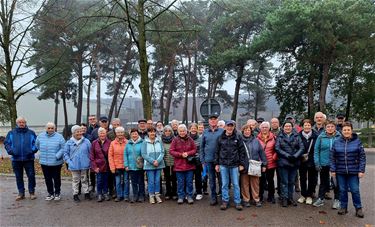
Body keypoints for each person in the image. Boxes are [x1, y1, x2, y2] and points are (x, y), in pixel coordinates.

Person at [331, 122, 366, 218]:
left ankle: (358, 208)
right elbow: (332, 157)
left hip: (354, 171)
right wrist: (333, 169)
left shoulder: (357, 142)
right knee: (342, 190)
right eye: (344, 130)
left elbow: (362, 157)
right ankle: (343, 207)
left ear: (351, 130)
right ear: (341, 131)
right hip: (340, 171)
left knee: (355, 190)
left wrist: (361, 170)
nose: (346, 131)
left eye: (348, 130)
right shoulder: (337, 142)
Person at [215, 120, 246, 211]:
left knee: (236, 184)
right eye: (228, 126)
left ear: (234, 127)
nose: (230, 127)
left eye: (231, 126)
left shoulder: (238, 137)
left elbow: (242, 152)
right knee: (224, 184)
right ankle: (225, 201)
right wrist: (216, 164)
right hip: (223, 165)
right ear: (225, 127)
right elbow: (216, 152)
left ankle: (237, 202)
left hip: (235, 165)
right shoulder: (220, 138)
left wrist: (241, 164)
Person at [5, 117, 38, 201]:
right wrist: (11, 151)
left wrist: (32, 150)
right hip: (16, 159)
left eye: (23, 122)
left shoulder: (31, 133)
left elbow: (36, 143)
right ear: (17, 123)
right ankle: (21, 193)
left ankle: (31, 192)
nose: (21, 123)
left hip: (29, 159)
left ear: (25, 123)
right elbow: (7, 143)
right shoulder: (11, 133)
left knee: (31, 176)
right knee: (18, 176)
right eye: (19, 122)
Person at [275, 121, 304, 207]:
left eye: (289, 126)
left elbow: (301, 147)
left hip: (294, 162)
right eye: (286, 126)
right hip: (283, 162)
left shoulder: (296, 136)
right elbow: (277, 148)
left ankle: (290, 198)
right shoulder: (279, 137)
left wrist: (295, 156)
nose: (287, 128)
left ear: (292, 127)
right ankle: (284, 198)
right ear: (283, 127)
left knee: (291, 181)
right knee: (284, 181)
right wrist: (288, 156)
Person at [313, 120, 341, 208]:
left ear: (335, 127)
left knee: (336, 182)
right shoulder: (321, 137)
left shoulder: (339, 136)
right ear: (325, 128)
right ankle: (320, 198)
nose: (330, 128)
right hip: (323, 163)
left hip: (336, 164)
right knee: (323, 182)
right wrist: (317, 162)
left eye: (332, 126)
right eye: (328, 126)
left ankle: (337, 200)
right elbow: (316, 150)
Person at [36, 122, 66, 201]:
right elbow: (37, 145)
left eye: (52, 128)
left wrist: (57, 156)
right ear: (46, 128)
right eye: (48, 128)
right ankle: (50, 193)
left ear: (55, 128)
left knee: (56, 178)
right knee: (47, 178)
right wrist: (42, 153)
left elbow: (63, 148)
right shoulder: (40, 136)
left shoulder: (59, 137)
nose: (50, 129)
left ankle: (57, 193)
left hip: (56, 162)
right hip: (44, 162)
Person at [200, 114, 224, 206]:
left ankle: (222, 197)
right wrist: (203, 161)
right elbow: (201, 148)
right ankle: (213, 197)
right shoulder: (205, 132)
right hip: (208, 160)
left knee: (222, 180)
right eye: (211, 119)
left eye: (215, 119)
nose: (213, 121)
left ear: (217, 121)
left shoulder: (222, 131)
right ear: (209, 121)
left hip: (220, 161)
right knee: (211, 180)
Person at [63, 125, 92, 202]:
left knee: (85, 179)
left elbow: (90, 153)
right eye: (77, 131)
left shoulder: (87, 141)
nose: (79, 133)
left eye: (80, 131)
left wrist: (89, 161)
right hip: (74, 165)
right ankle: (75, 194)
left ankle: (86, 193)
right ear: (73, 133)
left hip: (85, 164)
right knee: (75, 180)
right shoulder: (69, 143)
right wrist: (69, 162)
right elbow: (65, 154)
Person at [170, 124, 197, 204]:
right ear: (178, 132)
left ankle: (189, 196)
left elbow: (194, 149)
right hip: (179, 165)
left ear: (186, 131)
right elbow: (171, 151)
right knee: (180, 182)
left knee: (189, 182)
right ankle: (181, 196)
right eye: (180, 131)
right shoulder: (175, 140)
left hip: (189, 165)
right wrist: (180, 154)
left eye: (183, 131)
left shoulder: (190, 139)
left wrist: (188, 153)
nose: (182, 132)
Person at [241, 124, 267, 208]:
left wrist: (264, 164)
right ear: (243, 131)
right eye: (245, 130)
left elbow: (262, 153)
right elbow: (237, 154)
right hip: (244, 165)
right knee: (245, 184)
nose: (247, 131)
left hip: (254, 166)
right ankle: (246, 200)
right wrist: (239, 164)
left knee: (255, 183)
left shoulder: (256, 140)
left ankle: (256, 199)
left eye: (248, 130)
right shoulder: (240, 141)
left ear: (251, 131)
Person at [141, 127, 165, 204]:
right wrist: (152, 161)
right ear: (148, 133)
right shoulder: (145, 142)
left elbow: (162, 152)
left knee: (157, 180)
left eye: (153, 132)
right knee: (151, 181)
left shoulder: (159, 141)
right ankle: (151, 195)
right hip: (149, 165)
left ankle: (157, 195)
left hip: (159, 164)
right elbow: (143, 154)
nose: (152, 133)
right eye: (150, 132)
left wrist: (157, 161)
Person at [297, 119, 318, 205]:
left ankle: (309, 195)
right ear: (302, 126)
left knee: (312, 178)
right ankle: (303, 195)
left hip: (312, 160)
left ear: (311, 126)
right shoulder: (298, 136)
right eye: (305, 125)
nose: (307, 127)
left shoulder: (316, 136)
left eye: (309, 125)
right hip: (302, 160)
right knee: (302, 178)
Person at [257, 121, 277, 204]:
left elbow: (277, 149)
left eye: (266, 127)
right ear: (260, 128)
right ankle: (260, 196)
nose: (264, 129)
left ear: (269, 128)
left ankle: (271, 196)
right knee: (261, 180)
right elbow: (255, 150)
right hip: (260, 163)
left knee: (270, 180)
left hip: (271, 162)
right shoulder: (256, 138)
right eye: (263, 127)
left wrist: (274, 157)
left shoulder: (274, 138)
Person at [90, 127, 111, 202]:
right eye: (101, 133)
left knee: (106, 180)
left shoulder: (109, 142)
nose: (102, 134)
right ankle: (99, 194)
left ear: (106, 134)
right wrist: (94, 167)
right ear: (98, 134)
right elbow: (92, 156)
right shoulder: (94, 143)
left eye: (103, 133)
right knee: (99, 180)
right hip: (98, 165)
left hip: (107, 165)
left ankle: (105, 193)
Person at [124, 128, 145, 203]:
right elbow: (125, 155)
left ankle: (142, 195)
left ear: (138, 134)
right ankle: (135, 195)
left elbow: (144, 153)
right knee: (133, 182)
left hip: (140, 166)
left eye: (135, 133)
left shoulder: (143, 142)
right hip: (131, 166)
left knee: (141, 182)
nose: (134, 135)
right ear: (130, 135)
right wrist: (126, 165)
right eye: (133, 134)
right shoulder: (128, 144)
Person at [108, 126, 129, 202]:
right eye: (118, 132)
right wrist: (112, 167)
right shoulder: (112, 143)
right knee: (117, 182)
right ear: (116, 133)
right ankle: (119, 195)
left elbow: (129, 154)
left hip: (126, 166)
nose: (120, 134)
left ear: (124, 133)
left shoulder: (127, 142)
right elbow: (110, 156)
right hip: (116, 166)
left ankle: (126, 195)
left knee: (126, 181)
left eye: (121, 132)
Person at [161, 125, 177, 200]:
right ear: (164, 132)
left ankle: (174, 192)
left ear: (171, 132)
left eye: (169, 131)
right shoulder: (161, 140)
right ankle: (168, 192)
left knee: (174, 178)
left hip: (174, 162)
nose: (167, 132)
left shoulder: (175, 139)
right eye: (166, 131)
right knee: (167, 178)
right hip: (165, 162)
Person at [189, 123, 203, 200]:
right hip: (188, 161)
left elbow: (201, 149)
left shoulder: (200, 138)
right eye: (192, 128)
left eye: (195, 128)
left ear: (197, 129)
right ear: (189, 129)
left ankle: (199, 192)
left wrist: (200, 158)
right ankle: (190, 192)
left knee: (198, 177)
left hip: (197, 161)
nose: (193, 129)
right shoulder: (186, 138)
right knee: (189, 178)